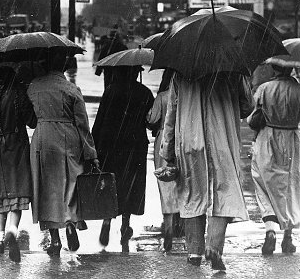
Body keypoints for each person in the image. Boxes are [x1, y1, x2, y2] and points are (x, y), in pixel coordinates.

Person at [160, 71, 253, 269]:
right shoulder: (233, 71)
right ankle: (214, 247)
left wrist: (167, 152)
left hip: (190, 140)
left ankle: (194, 251)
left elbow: (171, 113)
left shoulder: (181, 73)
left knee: (192, 194)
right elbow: (246, 106)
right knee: (224, 192)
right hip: (223, 139)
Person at [27, 51, 100, 255]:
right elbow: (82, 124)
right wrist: (91, 154)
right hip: (69, 137)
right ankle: (69, 222)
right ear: (64, 66)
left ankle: (55, 240)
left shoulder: (33, 87)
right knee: (71, 182)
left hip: (43, 136)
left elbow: (30, 119)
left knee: (46, 186)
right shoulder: (71, 89)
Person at [250, 64, 300, 255]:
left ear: (274, 69)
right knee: (290, 185)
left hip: (266, 139)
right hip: (290, 140)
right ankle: (287, 238)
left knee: (263, 184)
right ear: (291, 69)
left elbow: (251, 118)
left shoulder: (264, 88)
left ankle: (270, 230)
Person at [91, 66, 154, 250]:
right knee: (131, 184)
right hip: (134, 146)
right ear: (136, 73)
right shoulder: (144, 92)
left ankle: (107, 219)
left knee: (111, 182)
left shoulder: (111, 90)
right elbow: (151, 120)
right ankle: (126, 223)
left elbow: (100, 120)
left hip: (111, 145)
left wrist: (94, 147)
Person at [0, 66, 37, 262]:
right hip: (16, 146)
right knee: (17, 191)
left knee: (1, 193)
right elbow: (32, 122)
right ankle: (12, 231)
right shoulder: (19, 96)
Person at [146, 69, 178, 252]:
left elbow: (152, 119)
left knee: (165, 179)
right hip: (183, 138)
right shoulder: (185, 96)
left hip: (164, 140)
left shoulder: (162, 97)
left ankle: (169, 223)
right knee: (182, 181)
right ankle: (182, 220)